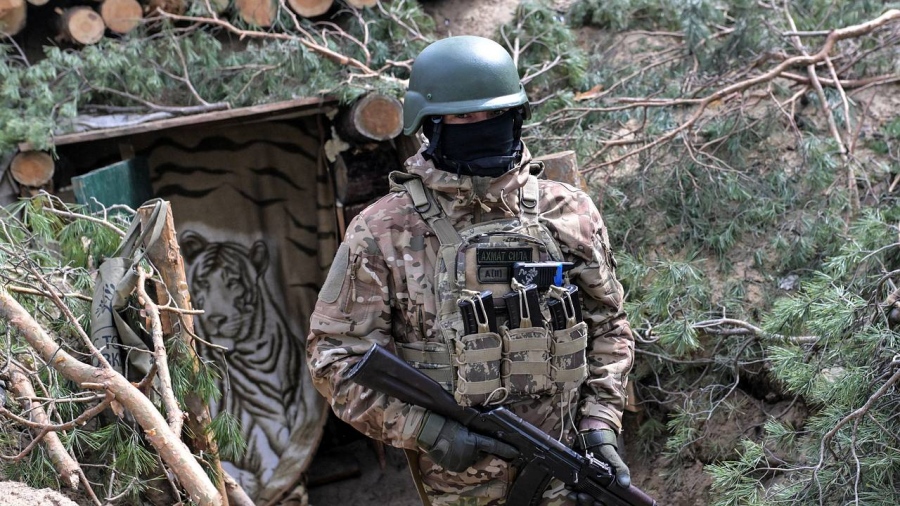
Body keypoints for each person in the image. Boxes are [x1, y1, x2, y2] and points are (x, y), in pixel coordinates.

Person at [307, 35, 635, 506]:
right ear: (430, 125)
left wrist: (601, 423)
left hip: (567, 465)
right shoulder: (382, 231)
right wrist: (426, 430)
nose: (479, 125)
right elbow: (334, 358)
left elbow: (609, 325)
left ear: (516, 115)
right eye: (462, 117)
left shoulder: (568, 212)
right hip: (459, 487)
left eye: (493, 113)